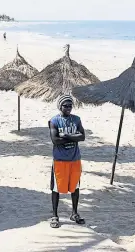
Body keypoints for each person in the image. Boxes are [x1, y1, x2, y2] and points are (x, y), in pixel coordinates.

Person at [49, 95, 86, 228]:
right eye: (66, 105)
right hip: (60, 160)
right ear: (60, 106)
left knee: (75, 187)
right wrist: (73, 138)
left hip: (75, 159)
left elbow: (82, 136)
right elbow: (55, 140)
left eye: (70, 105)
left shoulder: (76, 120)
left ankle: (74, 213)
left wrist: (66, 136)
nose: (69, 108)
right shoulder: (54, 121)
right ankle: (55, 215)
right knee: (56, 188)